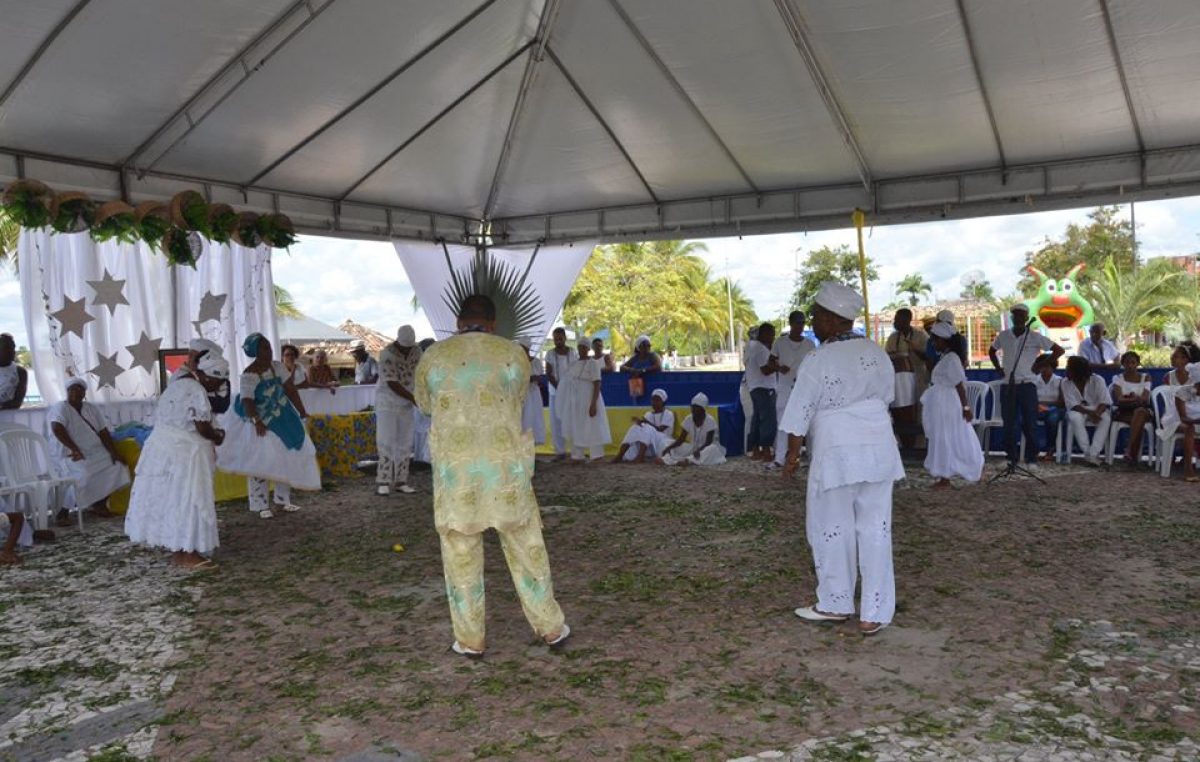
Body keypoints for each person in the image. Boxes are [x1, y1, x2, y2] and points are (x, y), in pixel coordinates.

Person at [414, 294, 569, 658]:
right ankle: (550, 627)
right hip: (505, 467)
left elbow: (424, 403)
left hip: (457, 471)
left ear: (457, 321)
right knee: (526, 545)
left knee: (460, 552)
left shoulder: (433, 356)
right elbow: (516, 397)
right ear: (493, 323)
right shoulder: (513, 354)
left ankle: (471, 640)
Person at [781, 281, 903, 637]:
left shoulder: (819, 358)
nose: (813, 321)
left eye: (817, 315)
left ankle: (835, 602)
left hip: (837, 449)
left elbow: (800, 409)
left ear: (834, 320)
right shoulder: (878, 353)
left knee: (831, 526)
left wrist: (792, 456)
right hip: (879, 447)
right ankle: (874, 612)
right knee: (876, 528)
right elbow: (886, 398)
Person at [124, 347, 229, 569]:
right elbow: (203, 428)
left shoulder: (176, 384)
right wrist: (218, 436)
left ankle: (179, 551)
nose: (216, 388)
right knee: (189, 500)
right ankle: (187, 554)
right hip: (185, 456)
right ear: (206, 375)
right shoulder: (196, 390)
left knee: (174, 500)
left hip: (163, 452)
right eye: (215, 382)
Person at [217, 333, 321, 518]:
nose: (269, 350)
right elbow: (247, 401)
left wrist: (302, 411)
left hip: (283, 417)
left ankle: (282, 501)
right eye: (264, 347)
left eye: (269, 346)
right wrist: (257, 420)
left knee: (287, 455)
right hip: (260, 420)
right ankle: (260, 505)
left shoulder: (277, 367)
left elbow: (290, 389)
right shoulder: (249, 374)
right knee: (260, 461)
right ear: (256, 351)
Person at [989, 303, 1064, 470]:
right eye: (1015, 315)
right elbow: (991, 351)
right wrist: (998, 369)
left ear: (1026, 318)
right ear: (1012, 317)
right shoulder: (1004, 335)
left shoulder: (1035, 337)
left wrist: (1040, 365)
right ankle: (1010, 458)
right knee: (1009, 423)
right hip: (1008, 385)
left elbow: (1059, 350)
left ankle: (1031, 459)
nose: (1018, 318)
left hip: (1027, 385)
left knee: (1030, 423)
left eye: (1021, 315)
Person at [48, 378, 131, 526]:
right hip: (69, 454)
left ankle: (99, 503)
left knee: (118, 466)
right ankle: (63, 511)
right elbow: (57, 428)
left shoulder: (91, 408)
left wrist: (113, 452)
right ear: (67, 392)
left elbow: (103, 431)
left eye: (80, 389)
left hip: (94, 451)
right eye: (73, 389)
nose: (76, 392)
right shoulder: (61, 408)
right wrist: (75, 449)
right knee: (84, 475)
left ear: (84, 393)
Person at [921, 322, 983, 487]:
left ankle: (949, 474)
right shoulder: (946, 357)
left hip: (948, 403)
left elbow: (959, 385)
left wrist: (966, 408)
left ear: (944, 340)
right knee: (943, 436)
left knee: (948, 436)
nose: (934, 344)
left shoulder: (952, 359)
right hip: (941, 402)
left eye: (936, 340)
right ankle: (944, 474)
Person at [375, 325, 422, 496]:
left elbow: (421, 373)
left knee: (405, 442)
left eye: (410, 346)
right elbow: (391, 382)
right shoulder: (386, 354)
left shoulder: (417, 352)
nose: (408, 349)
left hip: (407, 403)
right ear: (398, 341)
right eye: (405, 346)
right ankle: (383, 480)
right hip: (387, 403)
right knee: (386, 441)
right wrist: (413, 398)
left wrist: (419, 395)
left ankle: (401, 481)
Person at [769, 311, 817, 470]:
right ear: (790, 323)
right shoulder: (780, 343)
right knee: (782, 423)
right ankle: (779, 458)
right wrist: (778, 368)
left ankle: (811, 457)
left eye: (802, 323)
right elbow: (770, 363)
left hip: (804, 389)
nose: (800, 326)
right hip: (784, 388)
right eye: (797, 323)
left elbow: (815, 365)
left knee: (808, 424)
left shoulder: (809, 344)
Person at [885, 308, 929, 449]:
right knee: (900, 412)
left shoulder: (920, 336)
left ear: (907, 320)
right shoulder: (893, 337)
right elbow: (888, 357)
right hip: (900, 384)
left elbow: (928, 357)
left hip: (919, 380)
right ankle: (904, 445)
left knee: (919, 413)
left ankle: (919, 447)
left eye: (897, 319)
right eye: (895, 319)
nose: (895, 322)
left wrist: (914, 348)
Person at [561, 340, 610, 462]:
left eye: (584, 347)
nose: (581, 349)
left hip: (589, 397)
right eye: (579, 347)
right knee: (577, 424)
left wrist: (593, 403)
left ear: (588, 349)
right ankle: (578, 455)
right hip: (576, 401)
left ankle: (597, 454)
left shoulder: (593, 363)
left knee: (593, 424)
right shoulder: (573, 364)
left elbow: (597, 383)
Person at [1062, 355, 1111, 466]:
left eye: (1069, 367)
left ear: (1078, 371)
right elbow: (1072, 405)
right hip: (1078, 409)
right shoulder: (1065, 382)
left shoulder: (1098, 380)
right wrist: (1090, 413)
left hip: (1097, 408)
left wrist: (1097, 413)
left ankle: (1093, 454)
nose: (1066, 369)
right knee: (1075, 418)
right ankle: (1087, 453)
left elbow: (1104, 401)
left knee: (1106, 419)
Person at [658, 393, 726, 466]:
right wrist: (668, 447)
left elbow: (708, 443)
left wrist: (699, 450)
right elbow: (680, 440)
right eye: (692, 407)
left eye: (696, 407)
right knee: (666, 443)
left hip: (705, 449)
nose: (693, 410)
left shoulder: (710, 420)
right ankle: (667, 459)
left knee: (712, 449)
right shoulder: (689, 418)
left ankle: (688, 461)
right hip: (693, 447)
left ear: (703, 409)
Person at [1110, 351, 1152, 468]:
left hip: (1142, 410)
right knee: (1138, 421)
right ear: (1123, 364)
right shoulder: (1117, 378)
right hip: (1124, 411)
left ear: (1138, 363)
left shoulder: (1146, 377)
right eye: (1127, 362)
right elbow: (1119, 399)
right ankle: (1133, 458)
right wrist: (1134, 399)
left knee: (1140, 413)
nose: (1130, 365)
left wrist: (1129, 398)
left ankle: (1129, 450)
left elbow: (1144, 398)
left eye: (1133, 362)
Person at [744, 322, 777, 461]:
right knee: (767, 420)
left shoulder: (750, 346)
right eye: (771, 334)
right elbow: (765, 370)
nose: (773, 337)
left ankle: (755, 449)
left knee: (757, 419)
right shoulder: (761, 349)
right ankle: (766, 450)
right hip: (764, 388)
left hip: (754, 386)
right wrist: (779, 367)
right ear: (763, 334)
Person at [614, 388, 674, 463]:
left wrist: (646, 422)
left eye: (657, 400)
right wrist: (639, 423)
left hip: (663, 440)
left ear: (663, 402)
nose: (654, 402)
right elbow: (644, 429)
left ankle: (640, 456)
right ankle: (620, 455)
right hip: (649, 444)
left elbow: (660, 429)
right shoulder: (648, 414)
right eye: (653, 400)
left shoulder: (668, 413)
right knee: (635, 427)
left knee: (648, 427)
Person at [543, 327, 574, 460]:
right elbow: (548, 373)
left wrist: (566, 387)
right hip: (555, 391)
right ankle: (559, 451)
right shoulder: (550, 354)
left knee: (572, 419)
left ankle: (575, 451)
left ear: (565, 338)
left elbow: (575, 369)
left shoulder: (573, 352)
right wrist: (559, 387)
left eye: (560, 338)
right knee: (556, 421)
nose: (558, 341)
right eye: (555, 339)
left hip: (571, 391)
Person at [1032, 355, 1065, 462]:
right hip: (1036, 408)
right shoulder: (1033, 381)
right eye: (1042, 366)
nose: (1044, 369)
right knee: (1025, 418)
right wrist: (1038, 405)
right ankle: (1033, 449)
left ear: (1053, 367)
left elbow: (1062, 402)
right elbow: (1030, 399)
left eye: (1047, 366)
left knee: (1052, 417)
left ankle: (1050, 449)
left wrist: (1045, 405)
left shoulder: (1060, 381)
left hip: (1055, 409)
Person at [1174, 363, 1200, 482]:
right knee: (1190, 428)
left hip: (1196, 423)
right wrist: (1195, 421)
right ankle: (1188, 469)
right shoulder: (1182, 392)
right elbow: (1182, 417)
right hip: (1177, 421)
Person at [519, 343, 547, 446]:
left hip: (534, 393)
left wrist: (535, 379)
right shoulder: (516, 361)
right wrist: (529, 379)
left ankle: (532, 450)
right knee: (524, 418)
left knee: (534, 417)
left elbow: (540, 377)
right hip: (522, 393)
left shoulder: (536, 362)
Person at [0, 333, 29, 410]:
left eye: (13, 347)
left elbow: (17, 402)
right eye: (7, 348)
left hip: (10, 419)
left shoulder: (20, 372)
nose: (12, 351)